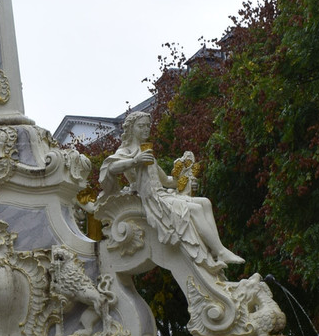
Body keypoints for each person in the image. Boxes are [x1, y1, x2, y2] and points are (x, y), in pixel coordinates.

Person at [99, 111, 243, 271]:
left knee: (205, 202)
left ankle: (217, 252)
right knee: (194, 210)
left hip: (162, 193)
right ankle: (220, 251)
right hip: (151, 199)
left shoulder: (148, 153)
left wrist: (186, 181)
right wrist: (135, 161)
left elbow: (166, 181)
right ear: (132, 129)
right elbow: (111, 167)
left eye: (148, 125)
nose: (146, 129)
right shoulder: (125, 152)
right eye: (141, 126)